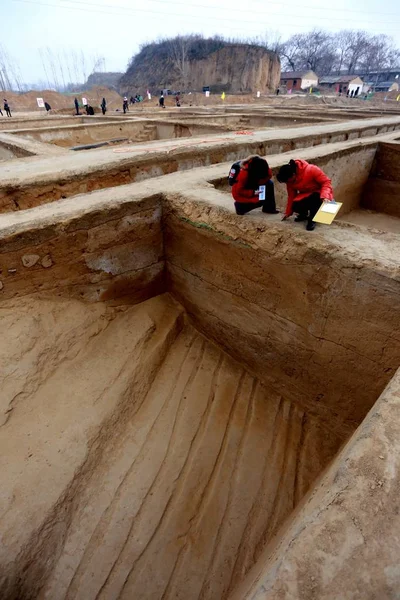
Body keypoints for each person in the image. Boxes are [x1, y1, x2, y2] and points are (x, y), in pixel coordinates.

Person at [277, 159, 334, 231]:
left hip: (322, 194)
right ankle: (303, 215)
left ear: (293, 175)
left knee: (315, 198)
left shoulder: (311, 170)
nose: (288, 183)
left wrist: (325, 196)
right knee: (295, 205)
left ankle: (312, 219)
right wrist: (288, 212)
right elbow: (291, 196)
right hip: (306, 195)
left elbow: (326, 182)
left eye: (288, 181)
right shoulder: (289, 181)